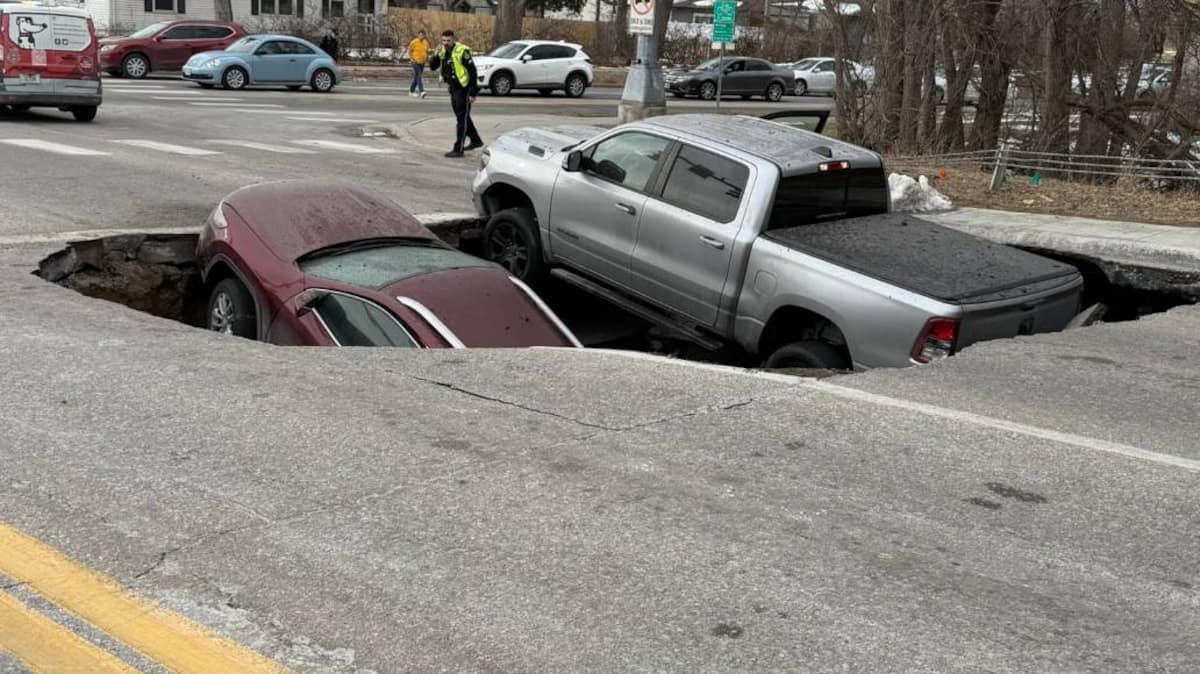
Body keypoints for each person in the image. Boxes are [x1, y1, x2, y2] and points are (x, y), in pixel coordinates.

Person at [427, 29, 483, 158]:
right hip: (453, 88)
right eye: (443, 41)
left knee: (461, 119)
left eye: (448, 40)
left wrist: (473, 93)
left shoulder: (462, 51)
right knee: (463, 117)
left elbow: (473, 72)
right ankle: (476, 140)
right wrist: (435, 55)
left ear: (453, 40)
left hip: (464, 89)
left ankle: (458, 148)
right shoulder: (442, 52)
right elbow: (433, 67)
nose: (445, 43)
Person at [407, 30, 430, 98]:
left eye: (422, 35)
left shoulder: (426, 42)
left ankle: (411, 91)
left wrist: (430, 52)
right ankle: (422, 91)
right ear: (418, 35)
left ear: (424, 36)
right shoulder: (414, 42)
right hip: (415, 62)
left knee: (417, 77)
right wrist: (411, 59)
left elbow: (426, 51)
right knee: (419, 75)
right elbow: (409, 50)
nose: (421, 36)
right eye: (420, 35)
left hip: (422, 62)